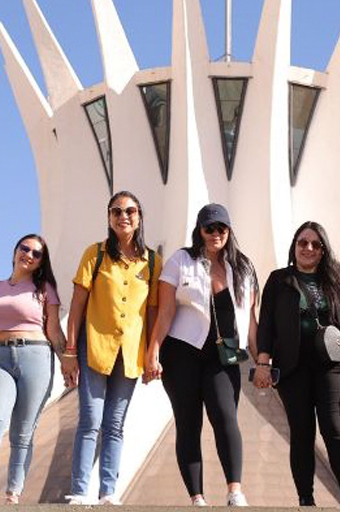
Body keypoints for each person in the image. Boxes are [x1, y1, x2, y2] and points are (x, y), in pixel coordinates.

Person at [145, 203, 258, 507]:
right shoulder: (181, 260)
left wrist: (262, 360)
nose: (215, 234)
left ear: (229, 231)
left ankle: (235, 491)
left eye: (221, 228)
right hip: (182, 352)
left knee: (225, 416)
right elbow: (166, 311)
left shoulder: (243, 268)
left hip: (223, 357)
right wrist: (153, 351)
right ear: (199, 231)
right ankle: (197, 497)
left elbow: (250, 319)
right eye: (209, 228)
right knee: (188, 422)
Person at [62, 191, 161, 504]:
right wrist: (68, 351)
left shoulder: (152, 262)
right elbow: (77, 306)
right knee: (90, 420)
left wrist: (151, 355)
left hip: (130, 353)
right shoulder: (96, 254)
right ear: (108, 218)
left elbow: (154, 311)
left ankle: (108, 492)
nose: (124, 217)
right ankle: (79, 492)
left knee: (115, 425)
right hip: (94, 347)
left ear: (140, 216)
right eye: (116, 211)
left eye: (130, 211)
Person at [254, 221, 340, 507]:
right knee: (302, 433)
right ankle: (306, 499)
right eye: (303, 242)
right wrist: (263, 361)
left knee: (335, 429)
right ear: (294, 246)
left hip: (330, 368)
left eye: (315, 244)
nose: (308, 248)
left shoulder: (337, 279)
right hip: (292, 368)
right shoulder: (280, 280)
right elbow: (266, 324)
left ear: (323, 249)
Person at [0, 234, 66, 504]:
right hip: (0, 358)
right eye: (25, 249)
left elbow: (54, 331)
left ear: (40, 262)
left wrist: (68, 359)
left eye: (37, 254)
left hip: (35, 356)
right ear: (15, 251)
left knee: (23, 432)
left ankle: (13, 494)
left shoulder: (44, 288)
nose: (29, 255)